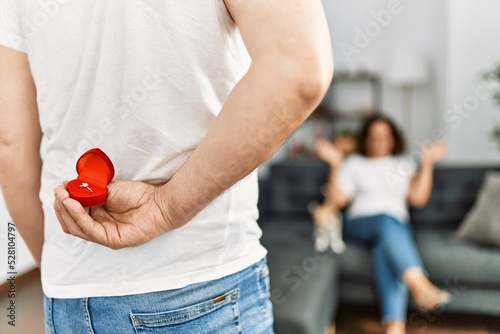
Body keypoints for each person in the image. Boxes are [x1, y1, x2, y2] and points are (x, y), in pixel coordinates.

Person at [0, 0, 333, 332]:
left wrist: (62, 268)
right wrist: (166, 208)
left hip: (66, 299)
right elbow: (298, 70)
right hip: (200, 286)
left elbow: (9, 144)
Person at [314, 115, 450, 334]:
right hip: (359, 224)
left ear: (393, 139)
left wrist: (428, 164)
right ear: (365, 139)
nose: (378, 142)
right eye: (373, 137)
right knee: (386, 221)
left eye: (384, 137)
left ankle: (394, 326)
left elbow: (418, 198)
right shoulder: (355, 163)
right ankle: (418, 283)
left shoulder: (402, 164)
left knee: (384, 248)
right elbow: (338, 201)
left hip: (393, 229)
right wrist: (336, 164)